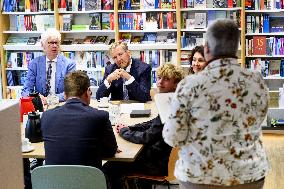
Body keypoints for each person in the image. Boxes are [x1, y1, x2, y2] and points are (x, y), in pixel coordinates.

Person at [163, 19, 269, 189]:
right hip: (249, 176)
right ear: (236, 46)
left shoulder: (190, 85)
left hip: (200, 177)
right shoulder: (256, 81)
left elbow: (172, 136)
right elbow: (260, 118)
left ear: (206, 49)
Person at [103, 64, 184, 189]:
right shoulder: (174, 101)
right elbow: (153, 124)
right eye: (159, 78)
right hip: (161, 157)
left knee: (110, 167)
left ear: (176, 84)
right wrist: (131, 127)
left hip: (157, 163)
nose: (160, 82)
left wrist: (124, 132)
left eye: (166, 79)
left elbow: (147, 137)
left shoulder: (170, 107)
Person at [41, 71, 117, 169]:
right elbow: (110, 151)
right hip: (89, 183)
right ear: (88, 92)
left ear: (64, 95)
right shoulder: (99, 116)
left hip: (53, 183)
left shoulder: (47, 116)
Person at [21, 28, 76, 102]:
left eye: (57, 43)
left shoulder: (69, 64)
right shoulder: (34, 64)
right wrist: (36, 98)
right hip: (40, 105)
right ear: (43, 45)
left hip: (60, 105)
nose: (54, 46)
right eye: (51, 43)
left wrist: (49, 99)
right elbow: (26, 90)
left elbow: (72, 92)